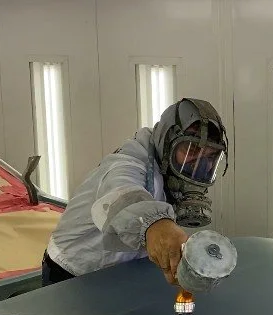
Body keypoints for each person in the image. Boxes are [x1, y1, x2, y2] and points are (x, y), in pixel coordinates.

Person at [41, 98, 229, 287]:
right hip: (74, 272)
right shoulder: (127, 163)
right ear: (167, 142)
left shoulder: (166, 169)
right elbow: (122, 195)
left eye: (211, 156)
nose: (199, 165)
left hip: (122, 268)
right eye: (191, 149)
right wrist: (155, 224)